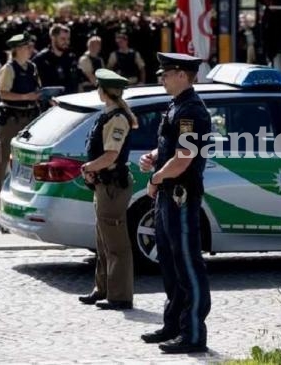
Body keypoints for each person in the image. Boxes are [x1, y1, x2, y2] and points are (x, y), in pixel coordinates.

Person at [139, 52, 211, 354]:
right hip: (170, 194)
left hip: (181, 193)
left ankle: (193, 333)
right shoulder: (177, 106)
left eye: (167, 73)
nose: (163, 78)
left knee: (187, 263)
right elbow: (171, 148)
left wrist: (155, 179)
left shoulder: (191, 112)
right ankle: (174, 325)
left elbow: (184, 159)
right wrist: (155, 157)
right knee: (169, 261)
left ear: (183, 75)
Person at [78, 69, 136, 310]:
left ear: (103, 91)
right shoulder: (108, 114)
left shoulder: (117, 118)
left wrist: (88, 167)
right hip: (104, 182)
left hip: (113, 185)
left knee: (116, 243)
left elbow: (111, 155)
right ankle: (102, 288)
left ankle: (120, 296)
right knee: (103, 240)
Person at [0, 34, 41, 176]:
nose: (31, 50)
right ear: (18, 49)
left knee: (30, 156)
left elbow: (37, 88)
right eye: (28, 47)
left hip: (30, 118)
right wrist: (25, 97)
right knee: (4, 155)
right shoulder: (8, 68)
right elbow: (3, 93)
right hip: (11, 119)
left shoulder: (32, 67)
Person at [32, 24, 78, 93]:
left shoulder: (71, 57)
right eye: (63, 39)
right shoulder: (40, 59)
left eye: (68, 39)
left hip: (70, 98)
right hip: (49, 101)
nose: (67, 42)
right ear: (53, 38)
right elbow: (35, 86)